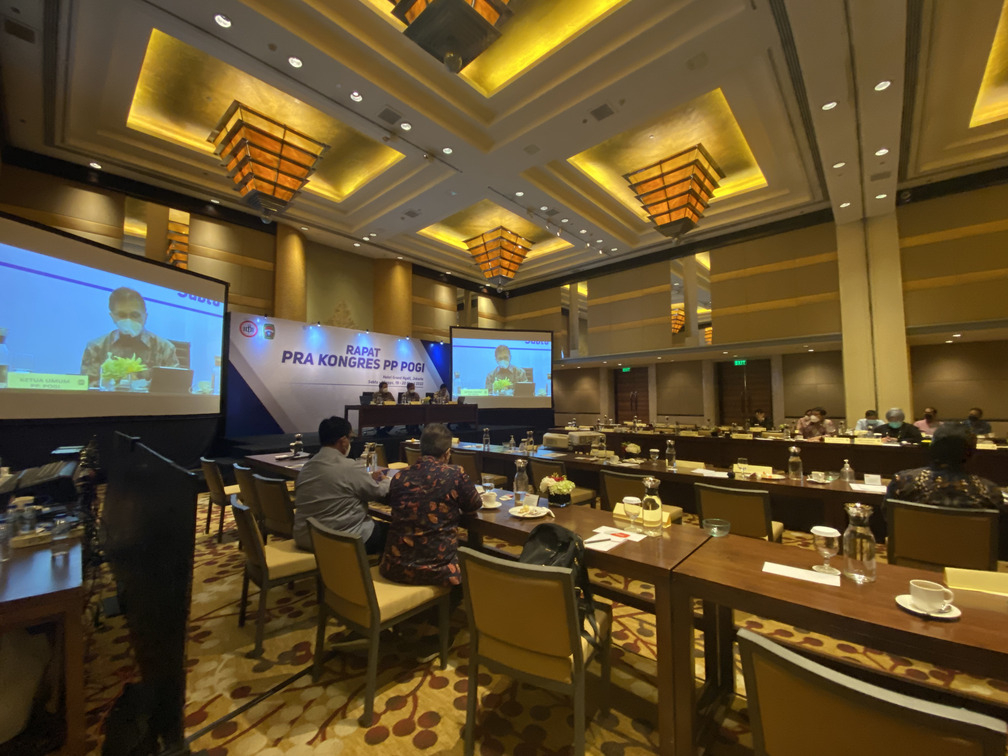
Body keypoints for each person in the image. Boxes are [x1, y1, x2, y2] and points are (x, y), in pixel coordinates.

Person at [380, 423, 481, 587]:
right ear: (447, 453)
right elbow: (474, 506)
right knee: (476, 569)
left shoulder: (400, 476)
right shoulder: (454, 474)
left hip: (394, 567)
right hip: (437, 571)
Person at [293, 416, 390, 554]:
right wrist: (387, 480)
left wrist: (367, 478)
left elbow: (335, 483)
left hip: (306, 537)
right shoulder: (349, 467)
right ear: (343, 441)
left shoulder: (307, 466)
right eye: (350, 438)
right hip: (340, 539)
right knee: (397, 532)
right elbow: (377, 492)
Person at [885, 422, 1005, 513]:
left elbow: (889, 519)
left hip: (913, 540)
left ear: (932, 448)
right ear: (972, 454)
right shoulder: (989, 491)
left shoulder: (902, 482)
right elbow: (997, 531)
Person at [80, 287, 178, 387]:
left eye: (135, 315)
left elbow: (174, 387)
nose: (128, 320)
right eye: (122, 315)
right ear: (113, 317)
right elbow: (86, 386)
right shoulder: (96, 347)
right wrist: (115, 384)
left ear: (145, 317)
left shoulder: (165, 348)